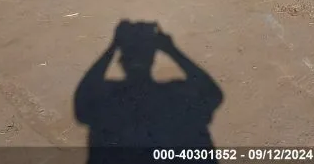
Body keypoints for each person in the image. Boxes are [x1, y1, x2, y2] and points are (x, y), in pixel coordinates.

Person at [74, 21, 223, 163]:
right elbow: (212, 94)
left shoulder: (110, 97)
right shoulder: (173, 95)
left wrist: (113, 47)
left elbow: (83, 101)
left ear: (122, 60)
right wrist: (172, 50)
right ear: (152, 58)